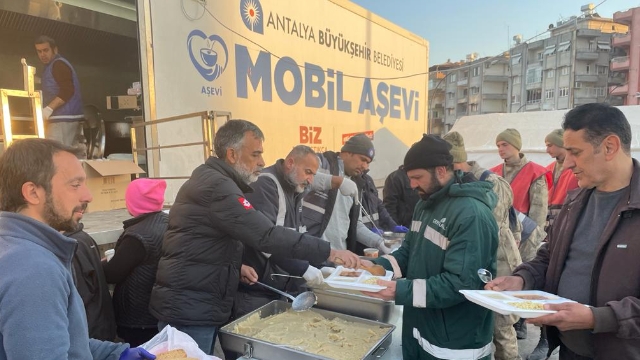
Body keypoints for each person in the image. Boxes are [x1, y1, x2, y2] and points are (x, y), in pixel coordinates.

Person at [149, 119, 360, 355]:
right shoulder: (218, 187)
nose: (261, 162)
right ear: (232, 154)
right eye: (255, 154)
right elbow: (265, 234)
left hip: (195, 300)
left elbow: (204, 240)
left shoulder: (215, 181)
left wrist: (237, 265)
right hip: (190, 307)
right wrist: (328, 252)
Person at [486, 103, 640, 359]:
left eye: (575, 152)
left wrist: (597, 318)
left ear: (610, 147)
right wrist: (522, 278)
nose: (567, 163)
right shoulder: (575, 201)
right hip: (570, 351)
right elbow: (550, 255)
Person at [0, 138, 154, 360]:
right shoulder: (34, 268)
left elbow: (67, 341)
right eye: (75, 185)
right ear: (33, 193)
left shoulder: (15, 247)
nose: (88, 196)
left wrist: (117, 353)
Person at [363, 134, 499, 360]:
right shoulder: (425, 205)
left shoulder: (471, 215)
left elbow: (461, 283)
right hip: (421, 329)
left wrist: (400, 290)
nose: (412, 184)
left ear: (441, 171)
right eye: (410, 177)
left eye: (417, 177)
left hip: (455, 343)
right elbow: (410, 252)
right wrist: (375, 266)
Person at [443, 131, 523, 360]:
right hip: (480, 264)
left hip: (500, 265)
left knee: (501, 328)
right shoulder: (460, 181)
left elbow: (487, 229)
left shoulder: (491, 183)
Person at [234, 145, 325, 319]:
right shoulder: (265, 184)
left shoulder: (295, 190)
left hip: (279, 284)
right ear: (291, 163)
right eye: (308, 172)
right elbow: (264, 239)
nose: (310, 180)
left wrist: (321, 262)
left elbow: (298, 238)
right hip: (256, 289)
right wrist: (303, 268)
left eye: (313, 174)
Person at [491, 128, 551, 339]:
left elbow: (539, 211)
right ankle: (502, 319)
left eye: (504, 145)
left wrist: (528, 242)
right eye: (498, 146)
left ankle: (521, 322)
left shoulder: (535, 172)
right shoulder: (494, 172)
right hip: (501, 235)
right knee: (501, 278)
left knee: (522, 277)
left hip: (526, 235)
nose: (500, 149)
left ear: (516, 145)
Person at [103, 178, 168, 347]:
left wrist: (98, 264)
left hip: (138, 317)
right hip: (159, 310)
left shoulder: (137, 236)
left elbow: (112, 273)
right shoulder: (167, 223)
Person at [302, 133, 391, 255]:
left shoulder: (356, 182)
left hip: (339, 256)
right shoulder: (322, 163)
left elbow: (357, 226)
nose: (365, 166)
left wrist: (379, 242)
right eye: (363, 159)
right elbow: (301, 176)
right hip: (312, 251)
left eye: (368, 162)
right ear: (348, 152)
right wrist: (337, 181)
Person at [67, 223, 117, 341]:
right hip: (103, 321)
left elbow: (81, 295)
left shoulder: (70, 246)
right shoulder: (83, 237)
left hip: (91, 328)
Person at [35, 36, 84, 148]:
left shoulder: (58, 64)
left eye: (46, 50)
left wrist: (48, 109)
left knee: (57, 155)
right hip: (66, 118)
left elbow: (67, 90)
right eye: (39, 51)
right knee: (69, 155)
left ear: (55, 50)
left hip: (63, 119)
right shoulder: (51, 67)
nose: (42, 54)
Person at [544, 129, 579, 231]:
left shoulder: (578, 167)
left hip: (568, 224)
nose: (547, 150)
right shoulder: (547, 169)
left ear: (561, 144)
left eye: (550, 145)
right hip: (547, 226)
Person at [360, 170, 408, 234]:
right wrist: (367, 232)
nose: (366, 167)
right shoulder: (350, 184)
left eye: (368, 162)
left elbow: (379, 206)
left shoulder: (368, 180)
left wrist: (392, 225)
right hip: (360, 238)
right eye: (363, 160)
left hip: (376, 235)